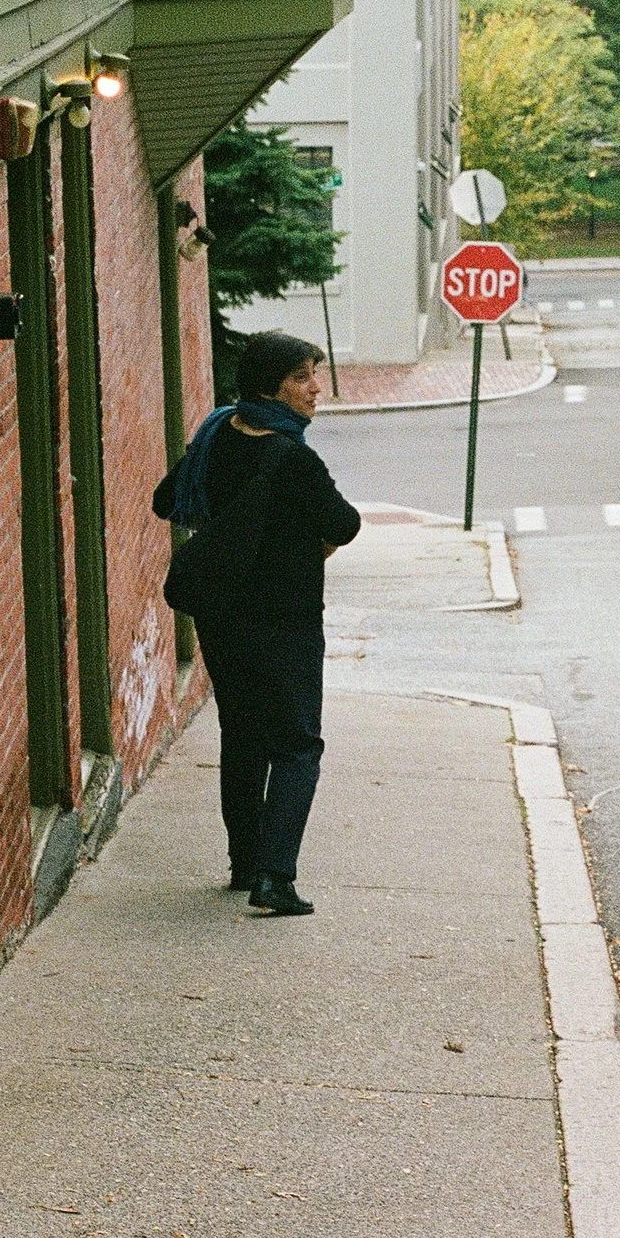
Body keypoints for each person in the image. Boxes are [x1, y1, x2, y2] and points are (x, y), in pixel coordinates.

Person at [154, 331, 361, 918]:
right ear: (272, 386)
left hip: (220, 617)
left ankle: (244, 860)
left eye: (314, 375)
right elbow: (344, 524)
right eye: (301, 378)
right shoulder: (293, 456)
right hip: (284, 619)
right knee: (297, 744)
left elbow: (168, 500)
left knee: (242, 735)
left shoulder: (217, 431)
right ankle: (274, 877)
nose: (315, 389)